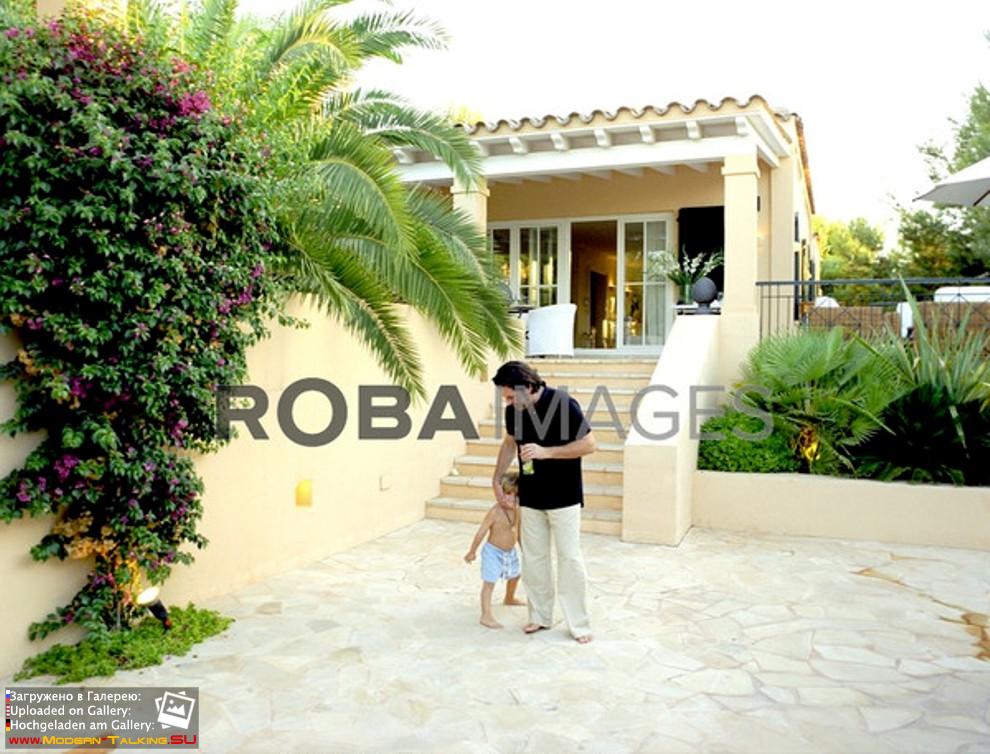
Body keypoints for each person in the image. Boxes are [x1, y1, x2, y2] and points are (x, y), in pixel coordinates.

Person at [490, 360, 597, 643]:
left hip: (564, 496)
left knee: (569, 558)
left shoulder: (563, 403)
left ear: (526, 387)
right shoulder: (514, 411)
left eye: (511, 396)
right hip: (531, 496)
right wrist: (496, 478)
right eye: (505, 398)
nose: (508, 402)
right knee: (534, 559)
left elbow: (590, 444)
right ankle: (539, 616)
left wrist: (546, 452)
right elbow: (509, 443)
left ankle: (579, 624)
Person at [463, 471, 526, 628]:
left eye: (513, 495)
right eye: (505, 494)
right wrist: (472, 551)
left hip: (510, 552)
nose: (508, 498)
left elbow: (518, 531)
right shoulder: (495, 512)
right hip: (493, 552)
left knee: (515, 575)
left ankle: (509, 598)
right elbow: (481, 532)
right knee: (489, 582)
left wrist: (524, 549)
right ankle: (486, 615)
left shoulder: (518, 510)